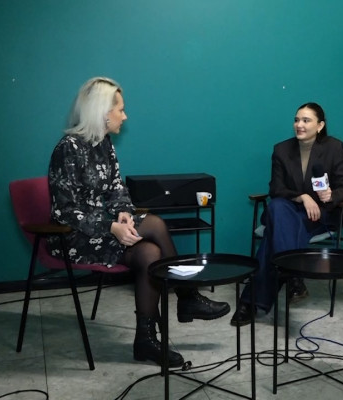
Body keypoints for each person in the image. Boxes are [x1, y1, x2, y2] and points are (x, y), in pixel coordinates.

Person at [47, 77, 230, 367]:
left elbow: (116, 188)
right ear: (103, 112)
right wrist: (111, 226)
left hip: (104, 231)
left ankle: (145, 340)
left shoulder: (103, 143)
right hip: (74, 236)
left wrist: (122, 212)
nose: (125, 116)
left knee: (150, 253)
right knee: (154, 224)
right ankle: (186, 295)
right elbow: (65, 211)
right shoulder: (68, 148)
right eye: (121, 109)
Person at [231, 102, 343, 326]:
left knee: (272, 238)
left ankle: (251, 301)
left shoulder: (335, 147)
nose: (299, 125)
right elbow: (276, 189)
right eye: (297, 120)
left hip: (319, 215)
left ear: (320, 125)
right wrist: (302, 197)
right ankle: (293, 275)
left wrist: (331, 195)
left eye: (306, 120)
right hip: (289, 209)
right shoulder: (281, 150)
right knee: (277, 207)